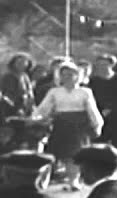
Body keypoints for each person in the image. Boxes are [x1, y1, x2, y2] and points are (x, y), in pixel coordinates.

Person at [33, 60, 104, 190]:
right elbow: (44, 107)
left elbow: (92, 109)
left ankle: (73, 181)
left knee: (74, 155)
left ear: (78, 76)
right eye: (64, 74)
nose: (68, 77)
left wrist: (97, 124)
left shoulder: (85, 92)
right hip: (61, 125)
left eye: (71, 74)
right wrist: (36, 118)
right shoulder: (54, 92)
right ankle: (42, 182)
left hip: (79, 126)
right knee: (53, 154)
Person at [86, 54, 117, 151]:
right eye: (100, 65)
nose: (102, 67)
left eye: (105, 64)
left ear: (111, 65)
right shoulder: (92, 81)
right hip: (99, 113)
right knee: (98, 142)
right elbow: (91, 98)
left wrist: (109, 109)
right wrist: (101, 110)